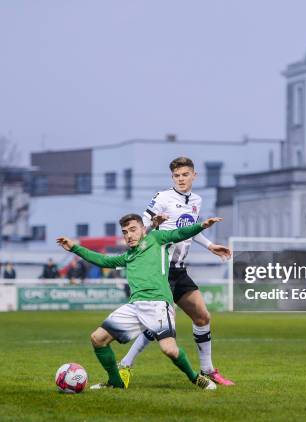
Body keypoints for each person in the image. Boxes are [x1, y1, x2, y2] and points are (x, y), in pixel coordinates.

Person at [56, 213, 223, 390]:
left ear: (144, 229)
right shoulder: (127, 256)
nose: (129, 235)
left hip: (158, 305)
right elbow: (102, 260)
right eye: (125, 232)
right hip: (135, 307)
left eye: (133, 230)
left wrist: (201, 226)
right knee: (98, 339)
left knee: (169, 350)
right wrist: (74, 247)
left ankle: (196, 378)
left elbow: (180, 234)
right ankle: (115, 382)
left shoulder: (156, 239)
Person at [118, 157, 234, 386]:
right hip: (160, 270)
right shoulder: (162, 198)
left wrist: (211, 246)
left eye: (184, 175)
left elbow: (188, 230)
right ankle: (125, 365)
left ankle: (208, 370)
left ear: (194, 176)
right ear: (172, 178)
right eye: (176, 176)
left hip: (179, 270)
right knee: (159, 325)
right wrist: (154, 223)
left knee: (202, 316)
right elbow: (138, 229)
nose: (180, 179)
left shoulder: (196, 201)